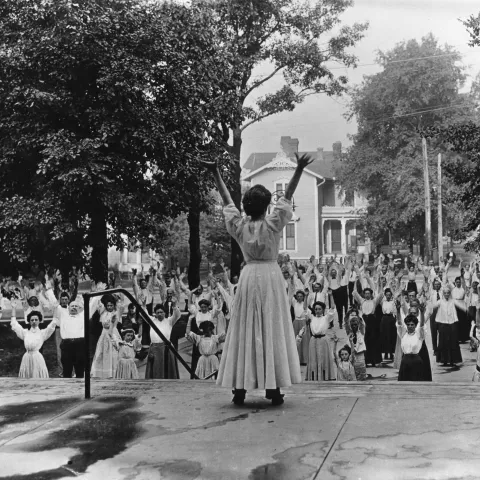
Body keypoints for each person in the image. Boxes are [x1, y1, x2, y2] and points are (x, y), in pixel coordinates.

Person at [202, 154, 312, 406]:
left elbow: (227, 202)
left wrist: (215, 172)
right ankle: (272, 388)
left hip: (250, 276)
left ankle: (239, 387)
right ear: (266, 207)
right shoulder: (273, 224)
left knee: (245, 328)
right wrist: (299, 169)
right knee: (271, 328)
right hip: (270, 277)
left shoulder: (239, 226)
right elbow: (287, 198)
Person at [10, 300, 57, 378]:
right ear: (29, 321)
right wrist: (13, 308)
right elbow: (14, 324)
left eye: (36, 320)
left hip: (37, 358)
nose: (34, 321)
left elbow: (52, 325)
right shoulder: (25, 333)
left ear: (39, 321)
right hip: (26, 358)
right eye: (32, 320)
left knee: (37, 376)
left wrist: (55, 309)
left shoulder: (42, 333)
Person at [296, 300, 336, 381]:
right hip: (313, 340)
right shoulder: (312, 317)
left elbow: (332, 308)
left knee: (324, 358)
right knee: (313, 359)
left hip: (323, 340)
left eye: (319, 309)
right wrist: (306, 296)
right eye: (316, 309)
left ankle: (325, 376)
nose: (317, 311)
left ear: (323, 310)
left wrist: (331, 296)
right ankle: (314, 377)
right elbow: (305, 308)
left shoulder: (326, 318)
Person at [146, 302, 181, 379]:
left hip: (166, 348)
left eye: (161, 312)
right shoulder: (152, 320)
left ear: (165, 313)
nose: (159, 314)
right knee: (155, 369)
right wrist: (143, 305)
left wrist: (174, 306)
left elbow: (177, 315)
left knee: (167, 368)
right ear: (155, 314)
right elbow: (144, 315)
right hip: (155, 348)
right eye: (157, 312)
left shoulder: (169, 321)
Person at [91, 294, 123, 379]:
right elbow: (99, 305)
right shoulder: (103, 313)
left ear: (114, 305)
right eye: (108, 305)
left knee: (113, 353)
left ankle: (113, 372)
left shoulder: (116, 313)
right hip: (104, 334)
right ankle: (101, 371)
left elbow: (114, 324)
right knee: (101, 352)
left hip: (113, 333)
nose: (109, 307)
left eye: (111, 305)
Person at [57, 297, 86, 378]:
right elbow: (54, 304)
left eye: (76, 306)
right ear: (68, 308)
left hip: (79, 345)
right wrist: (48, 290)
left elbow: (92, 306)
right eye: (72, 306)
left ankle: (80, 389)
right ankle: (67, 389)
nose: (73, 307)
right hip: (67, 346)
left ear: (80, 308)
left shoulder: (83, 317)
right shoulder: (63, 316)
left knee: (80, 371)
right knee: (66, 371)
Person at [397, 313, 426, 381]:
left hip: (416, 361)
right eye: (408, 324)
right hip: (405, 361)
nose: (410, 326)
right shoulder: (403, 334)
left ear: (415, 325)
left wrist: (422, 312)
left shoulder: (419, 335)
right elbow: (399, 323)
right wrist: (398, 310)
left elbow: (422, 325)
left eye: (412, 325)